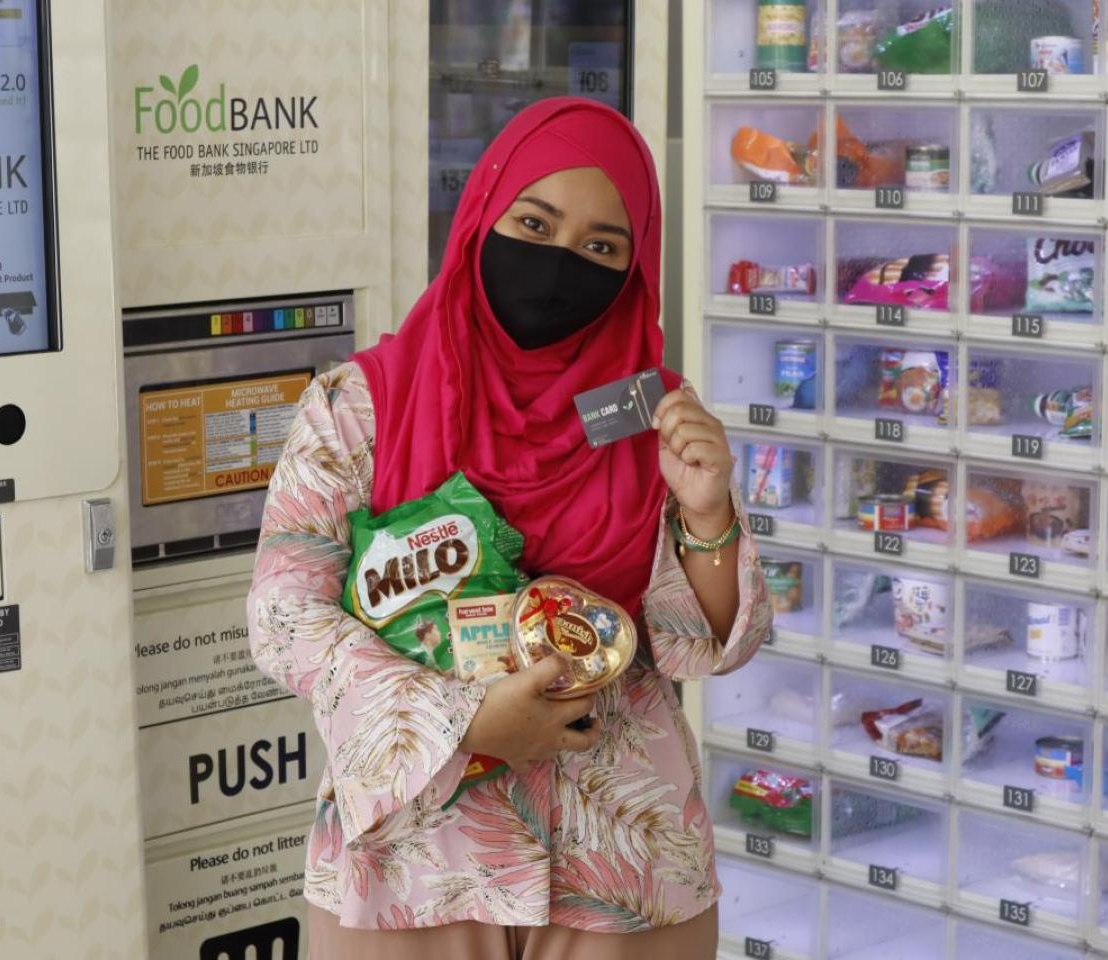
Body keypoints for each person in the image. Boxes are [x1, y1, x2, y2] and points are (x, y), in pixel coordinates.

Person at [247, 96, 772, 959]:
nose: (561, 265)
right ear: (482, 214)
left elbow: (696, 645)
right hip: (412, 863)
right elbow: (282, 617)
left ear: (637, 269)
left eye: (602, 247)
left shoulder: (647, 412)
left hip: (624, 865)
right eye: (534, 222)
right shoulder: (361, 406)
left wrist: (707, 509)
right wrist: (463, 720)